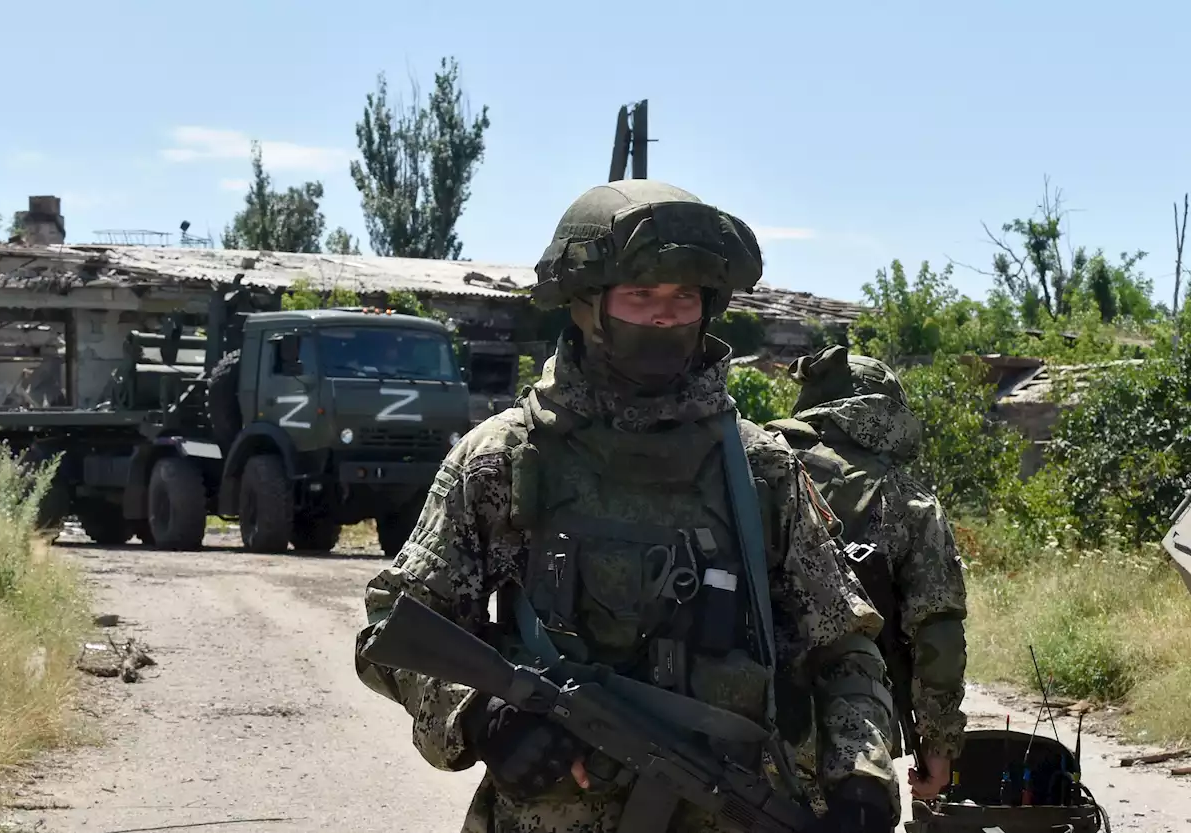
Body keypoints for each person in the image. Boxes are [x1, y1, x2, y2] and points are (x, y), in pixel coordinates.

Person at [354, 180, 900, 833]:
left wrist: (861, 772)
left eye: (684, 297)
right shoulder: (503, 460)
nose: (666, 316)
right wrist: (481, 715)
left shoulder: (760, 470)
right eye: (641, 296)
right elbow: (392, 628)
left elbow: (844, 646)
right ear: (587, 305)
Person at [765, 345, 968, 804]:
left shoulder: (753, 464)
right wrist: (937, 747)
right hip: (852, 737)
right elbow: (938, 635)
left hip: (730, 723)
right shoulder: (906, 500)